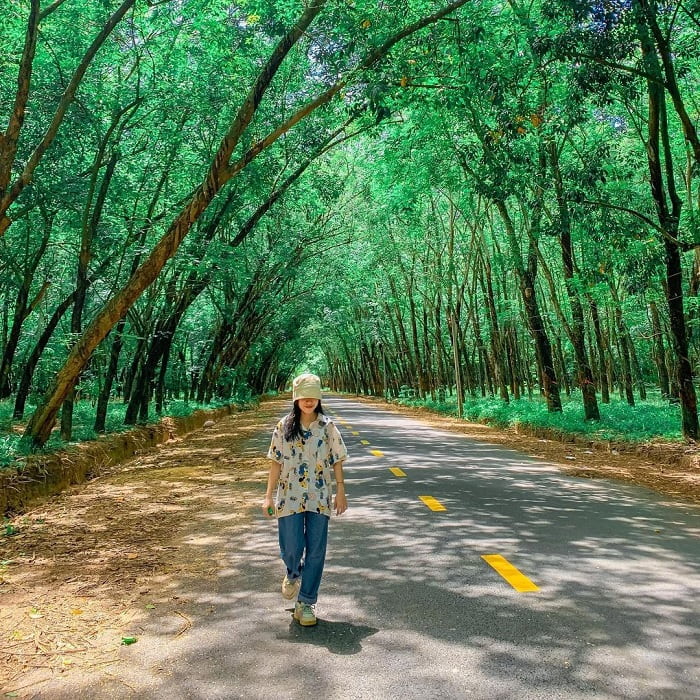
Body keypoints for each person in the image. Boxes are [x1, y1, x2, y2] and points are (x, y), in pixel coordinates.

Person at [263, 373, 348, 626]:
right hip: (289, 496)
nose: (308, 401)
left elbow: (337, 460)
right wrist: (267, 496)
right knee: (291, 547)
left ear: (318, 398)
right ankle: (292, 572)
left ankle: (306, 603)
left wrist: (341, 490)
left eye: (313, 397)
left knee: (316, 551)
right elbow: (275, 463)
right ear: (296, 399)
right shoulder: (283, 426)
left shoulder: (328, 426)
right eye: (304, 397)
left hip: (320, 497)